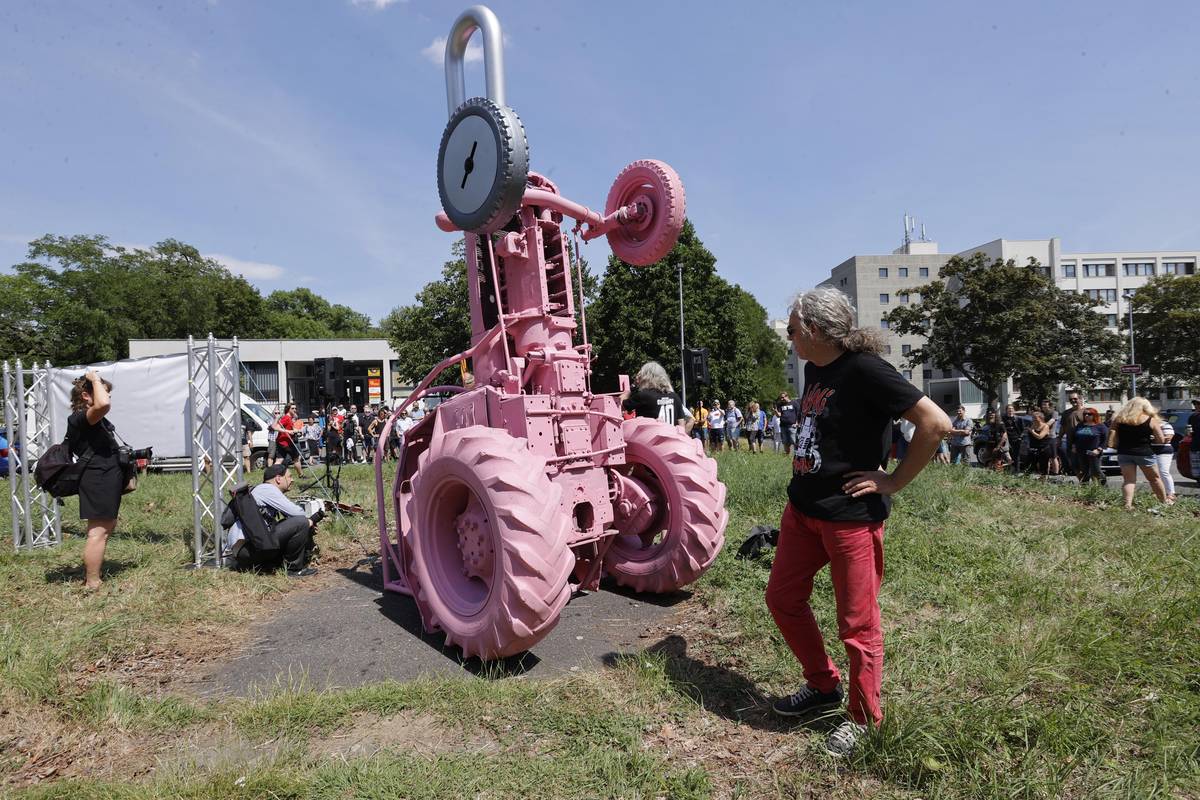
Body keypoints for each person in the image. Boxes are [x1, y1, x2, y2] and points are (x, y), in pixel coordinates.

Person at [765, 287, 950, 757]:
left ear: (811, 331)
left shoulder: (867, 370)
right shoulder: (813, 368)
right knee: (783, 598)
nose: (789, 338)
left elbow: (935, 422)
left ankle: (864, 719)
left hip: (850, 520)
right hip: (803, 511)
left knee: (857, 624)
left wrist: (894, 482)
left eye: (791, 329)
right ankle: (823, 686)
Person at [67, 371, 123, 590]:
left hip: (103, 476)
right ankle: (92, 581)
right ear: (85, 396)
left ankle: (93, 576)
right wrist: (95, 380)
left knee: (104, 528)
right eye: (102, 392)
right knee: (98, 532)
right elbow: (103, 405)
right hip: (98, 478)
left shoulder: (90, 419)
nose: (107, 397)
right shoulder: (84, 417)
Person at [226, 464, 317, 576]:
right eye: (289, 476)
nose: (292, 480)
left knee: (294, 523)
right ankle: (294, 569)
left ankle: (273, 564)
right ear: (278, 478)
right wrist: (311, 520)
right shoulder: (267, 489)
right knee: (301, 522)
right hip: (246, 550)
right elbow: (298, 513)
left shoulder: (259, 490)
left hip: (244, 551)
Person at [1107, 397, 1170, 509]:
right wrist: (1151, 438)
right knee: (1154, 479)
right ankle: (1164, 502)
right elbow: (1160, 440)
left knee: (1129, 480)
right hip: (1144, 453)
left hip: (1124, 452)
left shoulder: (1119, 419)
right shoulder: (1150, 420)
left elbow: (1111, 433)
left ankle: (1127, 505)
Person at [619, 361, 694, 433]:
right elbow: (681, 425)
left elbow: (620, 405)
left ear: (646, 377)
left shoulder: (643, 395)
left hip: (649, 441)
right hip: (670, 441)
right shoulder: (674, 396)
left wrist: (631, 388)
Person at [1072, 408, 1107, 484]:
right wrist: (1074, 446)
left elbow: (1105, 440)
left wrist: (1098, 449)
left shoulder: (1100, 426)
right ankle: (1085, 489)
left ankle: (1103, 487)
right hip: (1081, 452)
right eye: (1085, 414)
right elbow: (1074, 437)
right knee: (1084, 472)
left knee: (1095, 471)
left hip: (1093, 452)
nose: (1087, 415)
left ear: (1094, 415)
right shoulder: (1080, 425)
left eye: (1089, 414)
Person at [272, 403, 303, 478]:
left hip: (281, 442)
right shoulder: (286, 417)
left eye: (295, 408)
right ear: (288, 409)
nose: (295, 410)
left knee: (279, 460)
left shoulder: (289, 418)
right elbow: (274, 427)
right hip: (286, 443)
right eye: (292, 408)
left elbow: (288, 428)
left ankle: (272, 475)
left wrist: (295, 430)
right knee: (296, 459)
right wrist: (288, 431)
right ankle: (301, 475)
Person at [1059, 392, 1086, 476]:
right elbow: (1063, 427)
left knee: (1085, 464)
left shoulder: (1087, 412)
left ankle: (1089, 484)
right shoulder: (1066, 413)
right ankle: (1083, 483)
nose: (1073, 401)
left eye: (1075, 399)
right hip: (1070, 442)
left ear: (1080, 399)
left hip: (1084, 442)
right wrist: (1059, 438)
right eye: (1071, 399)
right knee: (1074, 465)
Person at [1153, 419, 1176, 504]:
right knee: (1155, 474)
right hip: (1151, 451)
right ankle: (1159, 492)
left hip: (1164, 451)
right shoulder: (1150, 425)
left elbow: (1168, 438)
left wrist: (1154, 438)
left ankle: (1171, 493)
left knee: (1164, 472)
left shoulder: (1165, 425)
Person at [1001, 403, 1027, 474]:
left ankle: (1017, 471)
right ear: (1006, 410)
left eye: (1012, 409)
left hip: (1016, 439)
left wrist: (1020, 437)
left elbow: (1023, 430)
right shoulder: (1003, 418)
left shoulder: (1018, 419)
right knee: (1007, 455)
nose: (1010, 410)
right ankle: (1008, 470)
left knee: (1016, 455)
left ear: (1014, 410)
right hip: (1006, 439)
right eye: (1009, 409)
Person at [1027, 411, 1053, 477]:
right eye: (1033, 417)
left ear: (1040, 418)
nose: (1033, 419)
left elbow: (1040, 437)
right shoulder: (1032, 425)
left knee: (1043, 467)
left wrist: (1032, 431)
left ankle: (1044, 481)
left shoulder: (1045, 426)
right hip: (1033, 449)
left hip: (1043, 449)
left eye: (1035, 418)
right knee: (1031, 466)